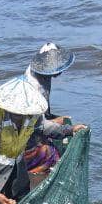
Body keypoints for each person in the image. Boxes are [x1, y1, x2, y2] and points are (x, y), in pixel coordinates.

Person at [23, 43, 77, 176]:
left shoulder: (40, 71)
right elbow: (38, 125)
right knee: (53, 156)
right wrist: (68, 130)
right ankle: (34, 175)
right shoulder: (35, 87)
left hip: (30, 125)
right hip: (25, 139)